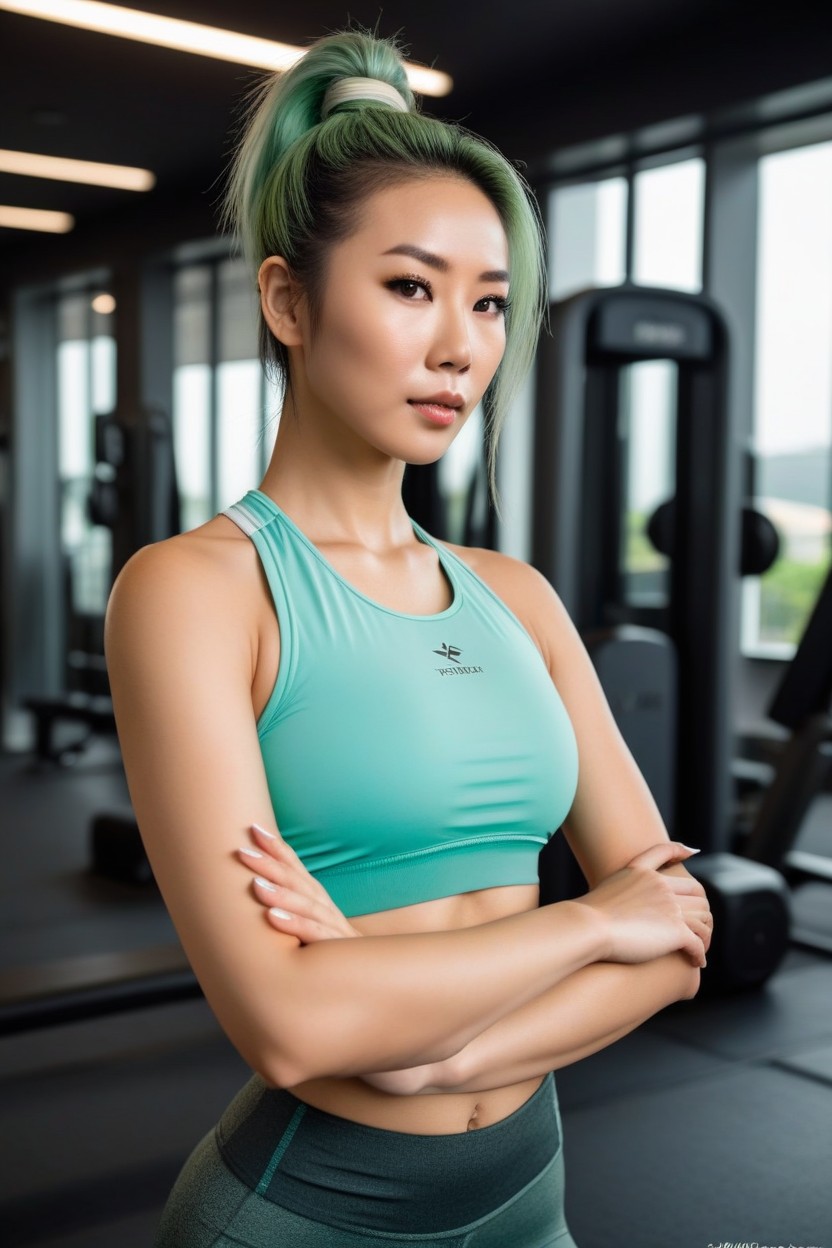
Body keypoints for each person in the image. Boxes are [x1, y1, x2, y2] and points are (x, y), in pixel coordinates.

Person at [105, 28, 713, 1248]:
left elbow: (683, 940)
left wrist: (424, 1059)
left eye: (488, 303)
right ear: (288, 297)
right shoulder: (195, 593)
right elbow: (288, 1028)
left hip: (529, 1192)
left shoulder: (519, 596)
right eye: (409, 286)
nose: (461, 346)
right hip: (306, 1213)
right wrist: (592, 923)